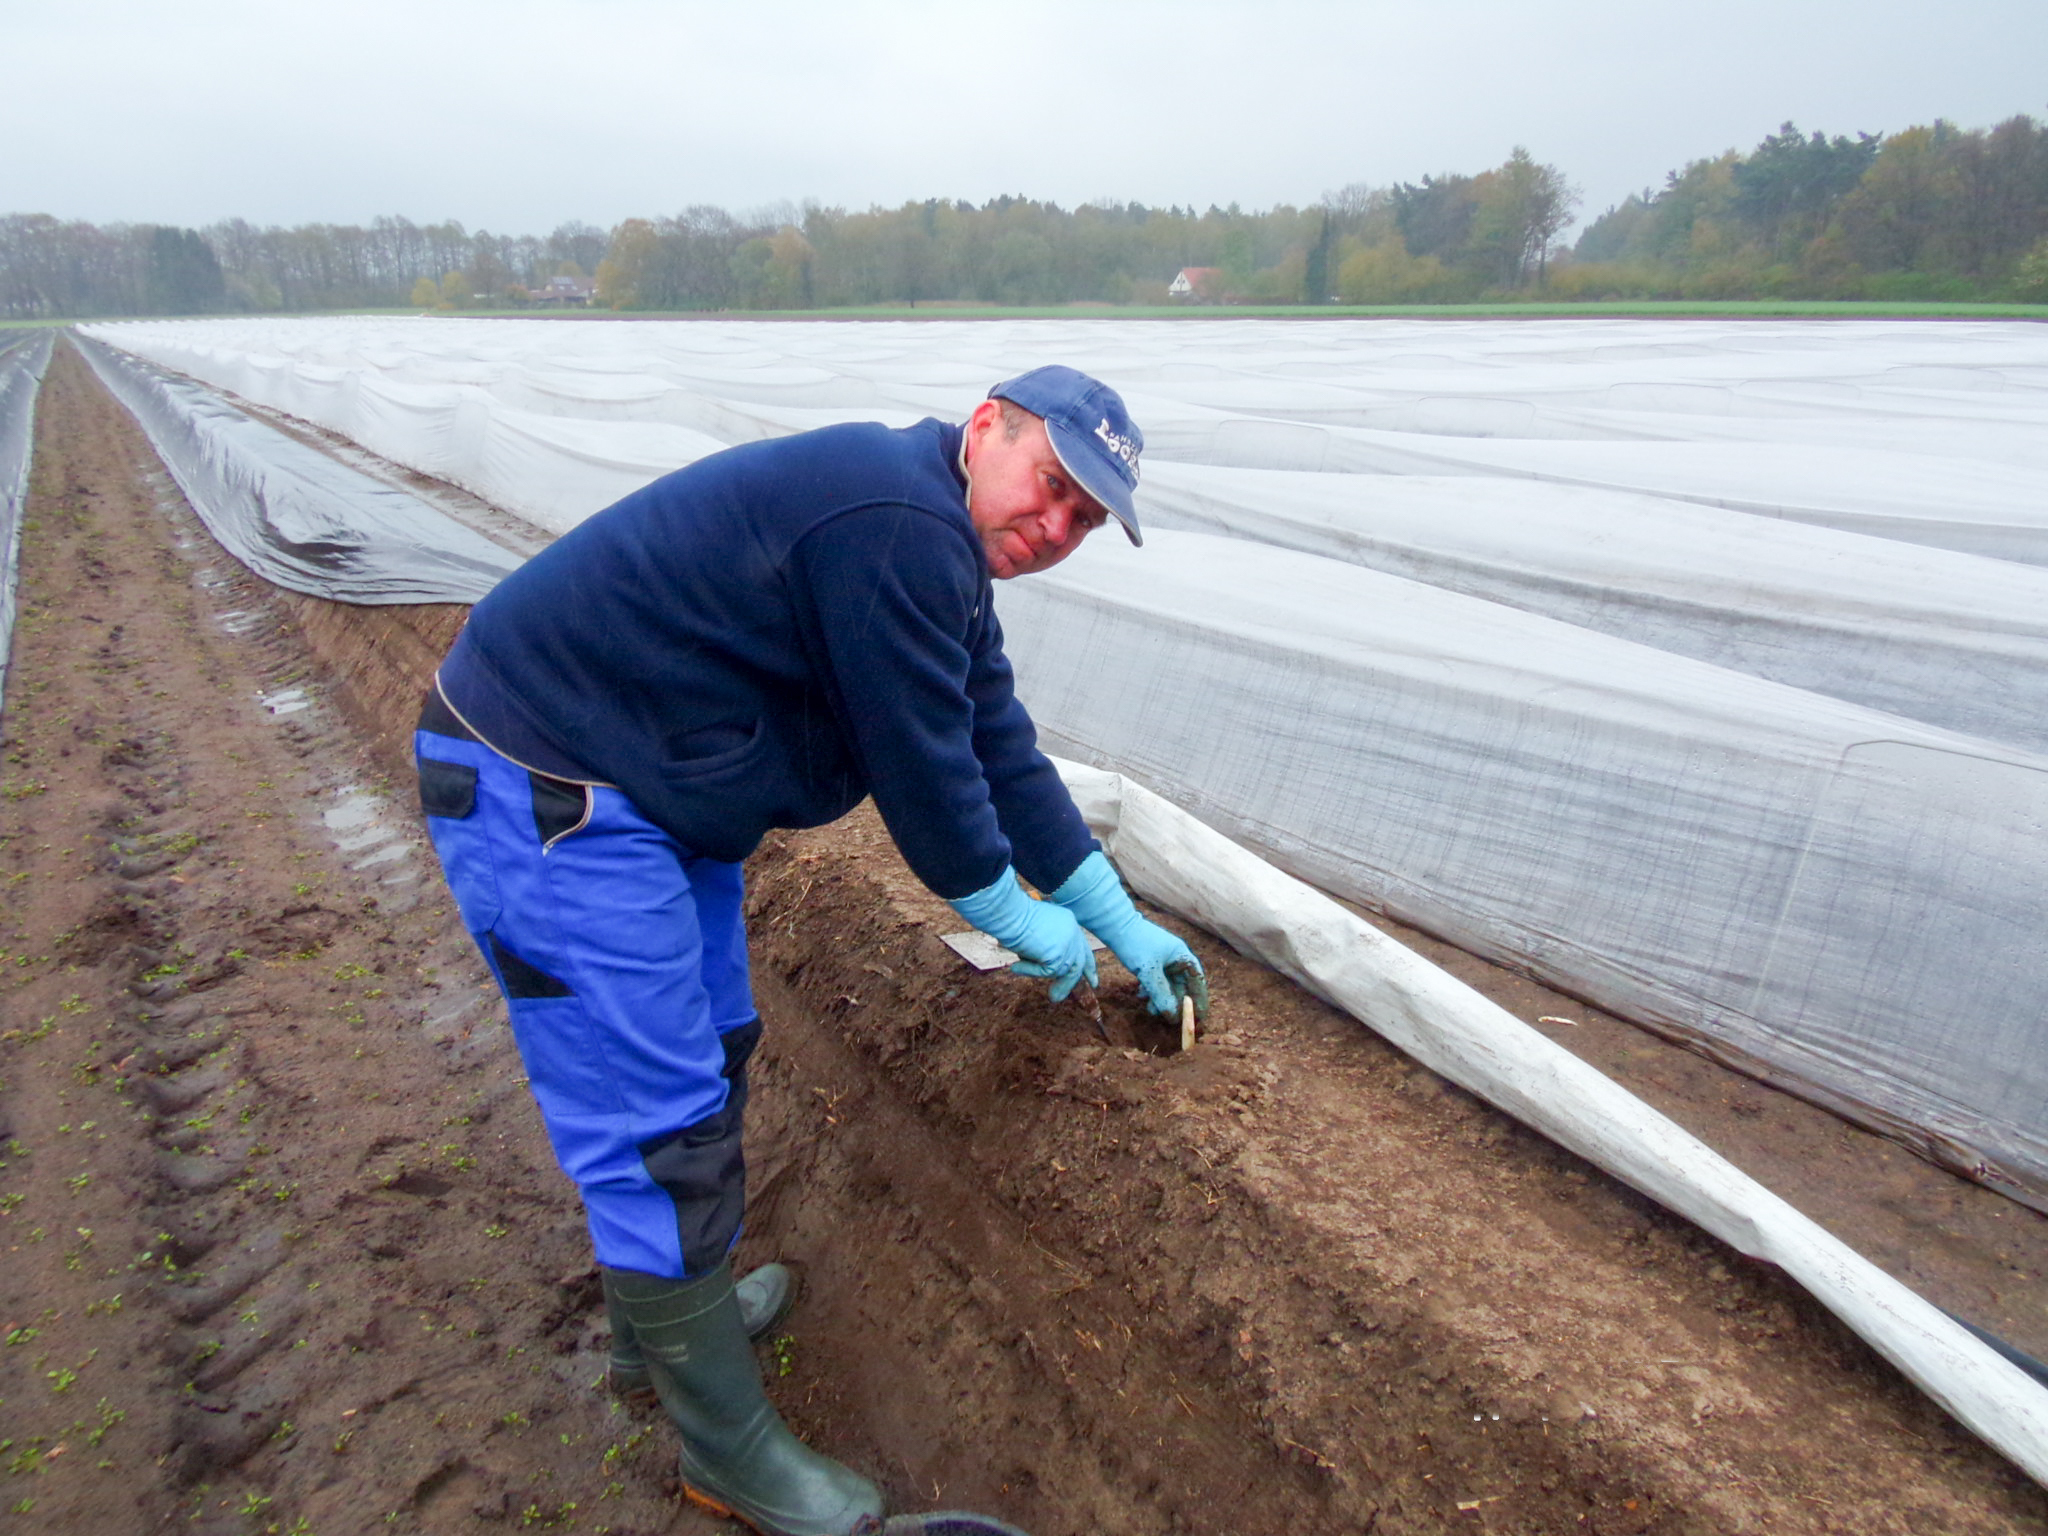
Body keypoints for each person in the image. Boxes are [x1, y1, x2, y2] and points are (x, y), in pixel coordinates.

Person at [412, 365, 1205, 1536]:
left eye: (1082, 521)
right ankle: (723, 1451)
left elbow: (996, 744)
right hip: (547, 778)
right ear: (985, 427)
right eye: (1051, 487)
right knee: (655, 1116)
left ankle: (658, 1340)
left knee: (716, 1048)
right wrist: (1013, 914)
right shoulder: (894, 526)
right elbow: (927, 779)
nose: (1054, 528)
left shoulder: (936, 542)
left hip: (645, 780)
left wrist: (1108, 906)